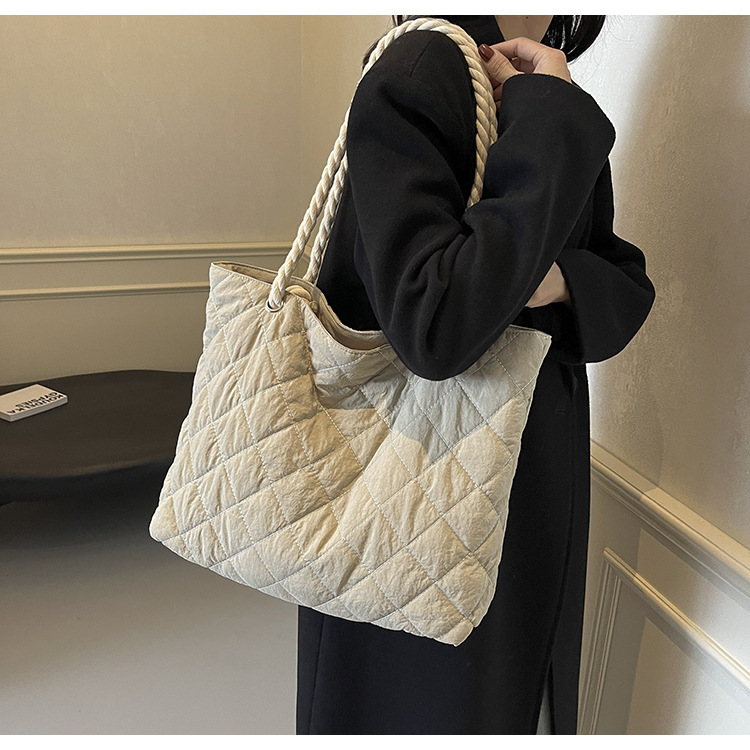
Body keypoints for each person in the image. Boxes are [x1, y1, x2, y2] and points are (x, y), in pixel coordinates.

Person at [296, 14, 656, 735]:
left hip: (519, 488)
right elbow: (435, 323)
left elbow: (623, 288)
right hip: (415, 497)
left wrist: (554, 280)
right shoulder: (422, 68)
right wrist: (551, 115)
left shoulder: (538, 89)